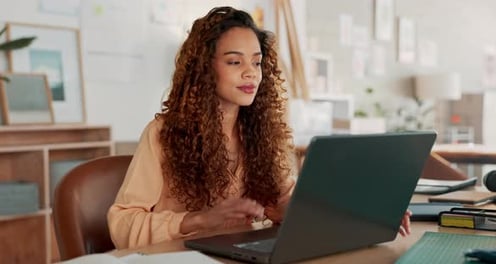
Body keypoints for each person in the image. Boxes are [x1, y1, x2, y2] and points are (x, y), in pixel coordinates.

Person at [107, 6, 411, 250]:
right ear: (204, 69)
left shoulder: (263, 132)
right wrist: (197, 220)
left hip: (245, 256)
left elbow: (288, 204)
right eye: (234, 62)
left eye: (257, 62)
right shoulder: (162, 133)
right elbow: (122, 225)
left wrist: (363, 212)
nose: (251, 74)